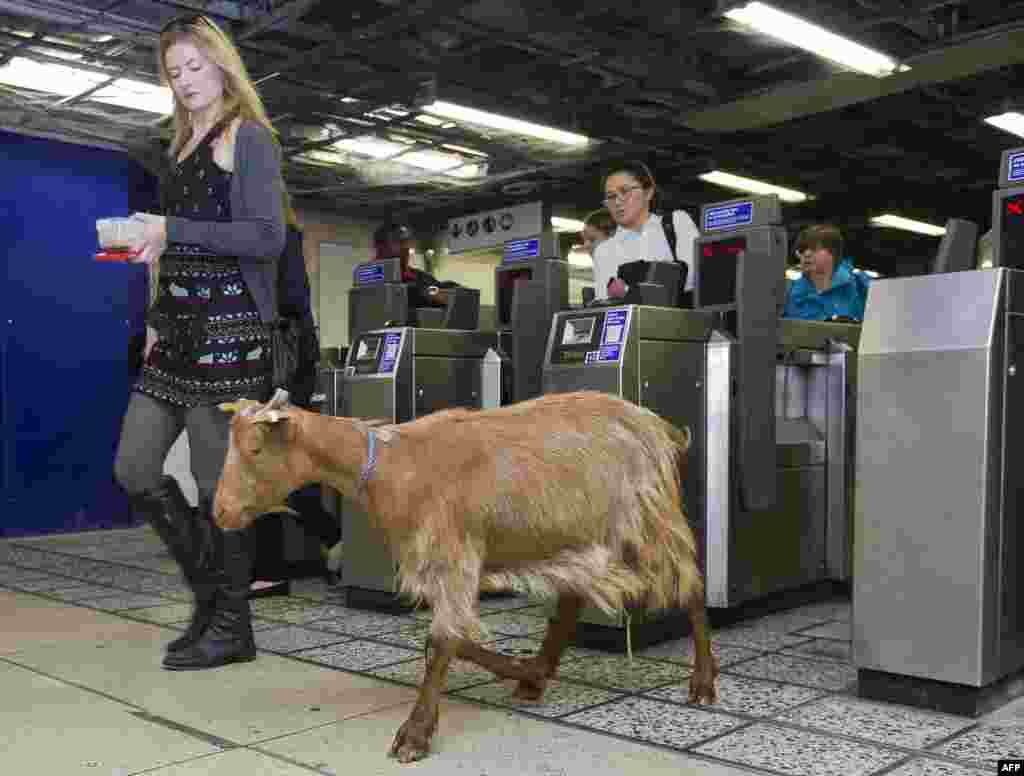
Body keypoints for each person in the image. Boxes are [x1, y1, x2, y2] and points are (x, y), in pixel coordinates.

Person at [113, 13, 286, 671]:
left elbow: (266, 239)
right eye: (174, 72)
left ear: (222, 65)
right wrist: (156, 297)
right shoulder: (182, 147)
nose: (186, 82)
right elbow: (178, 243)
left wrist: (174, 230)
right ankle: (208, 598)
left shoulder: (249, 140)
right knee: (134, 469)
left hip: (230, 338)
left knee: (220, 487)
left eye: (195, 67)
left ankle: (233, 626)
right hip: (177, 338)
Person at [592, 161, 699, 301]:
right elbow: (606, 302)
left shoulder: (677, 223)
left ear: (648, 192)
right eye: (611, 197)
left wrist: (628, 291)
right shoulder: (604, 251)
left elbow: (696, 279)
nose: (617, 202)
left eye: (624, 191)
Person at [783, 224, 870, 322]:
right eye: (802, 250)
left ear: (833, 253)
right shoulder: (787, 294)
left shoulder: (861, 287)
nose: (806, 254)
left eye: (815, 248)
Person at [373, 221, 460, 311]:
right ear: (380, 246)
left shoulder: (422, 277)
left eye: (407, 241)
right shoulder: (370, 274)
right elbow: (403, 292)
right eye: (398, 241)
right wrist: (427, 292)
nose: (406, 247)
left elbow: (443, 291)